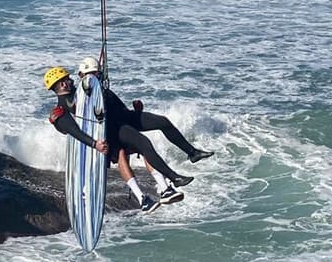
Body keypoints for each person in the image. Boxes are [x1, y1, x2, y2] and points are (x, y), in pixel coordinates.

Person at [42, 62, 213, 211]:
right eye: (68, 79)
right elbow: (75, 132)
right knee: (144, 144)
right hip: (115, 129)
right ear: (62, 84)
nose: (72, 81)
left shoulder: (83, 93)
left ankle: (192, 153)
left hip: (125, 117)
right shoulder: (62, 109)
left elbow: (106, 104)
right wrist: (95, 144)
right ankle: (173, 178)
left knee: (163, 122)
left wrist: (135, 110)